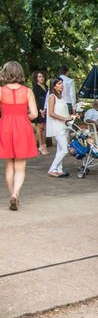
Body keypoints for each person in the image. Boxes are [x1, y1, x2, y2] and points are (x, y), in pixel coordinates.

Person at [0, 61, 38, 210]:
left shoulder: (1, 91)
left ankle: (13, 195)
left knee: (9, 165)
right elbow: (34, 114)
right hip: (22, 127)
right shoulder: (28, 91)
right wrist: (22, 116)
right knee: (20, 167)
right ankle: (16, 194)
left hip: (5, 126)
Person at [46, 77, 75, 178]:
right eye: (59, 83)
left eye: (61, 83)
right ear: (54, 86)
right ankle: (52, 169)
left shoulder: (61, 97)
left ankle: (59, 170)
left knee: (60, 150)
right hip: (57, 126)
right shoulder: (52, 97)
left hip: (64, 126)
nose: (61, 85)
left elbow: (64, 112)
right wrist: (65, 118)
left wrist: (71, 117)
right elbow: (51, 113)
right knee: (64, 150)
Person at [30, 70, 49, 155]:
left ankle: (44, 146)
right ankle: (41, 146)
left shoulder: (46, 86)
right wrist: (40, 110)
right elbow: (35, 100)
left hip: (46, 109)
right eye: (39, 77)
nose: (42, 78)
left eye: (42, 76)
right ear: (36, 78)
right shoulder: (35, 87)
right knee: (39, 128)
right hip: (39, 109)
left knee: (44, 128)